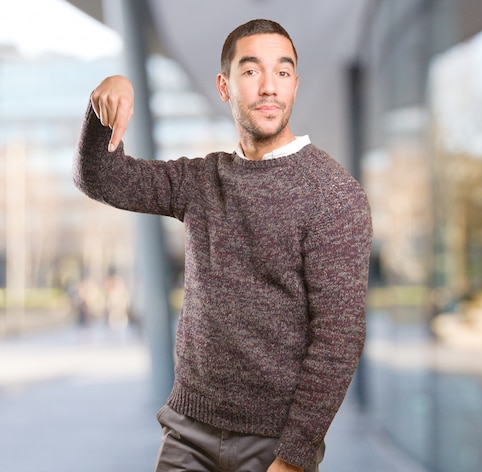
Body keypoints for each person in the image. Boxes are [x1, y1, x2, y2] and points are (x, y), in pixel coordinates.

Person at [74, 18, 372, 472]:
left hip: (275, 442)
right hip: (188, 430)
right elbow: (99, 177)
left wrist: (293, 458)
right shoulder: (201, 180)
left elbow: (339, 336)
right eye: (251, 71)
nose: (269, 86)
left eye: (283, 72)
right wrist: (105, 101)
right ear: (224, 86)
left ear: (295, 84)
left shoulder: (333, 194)